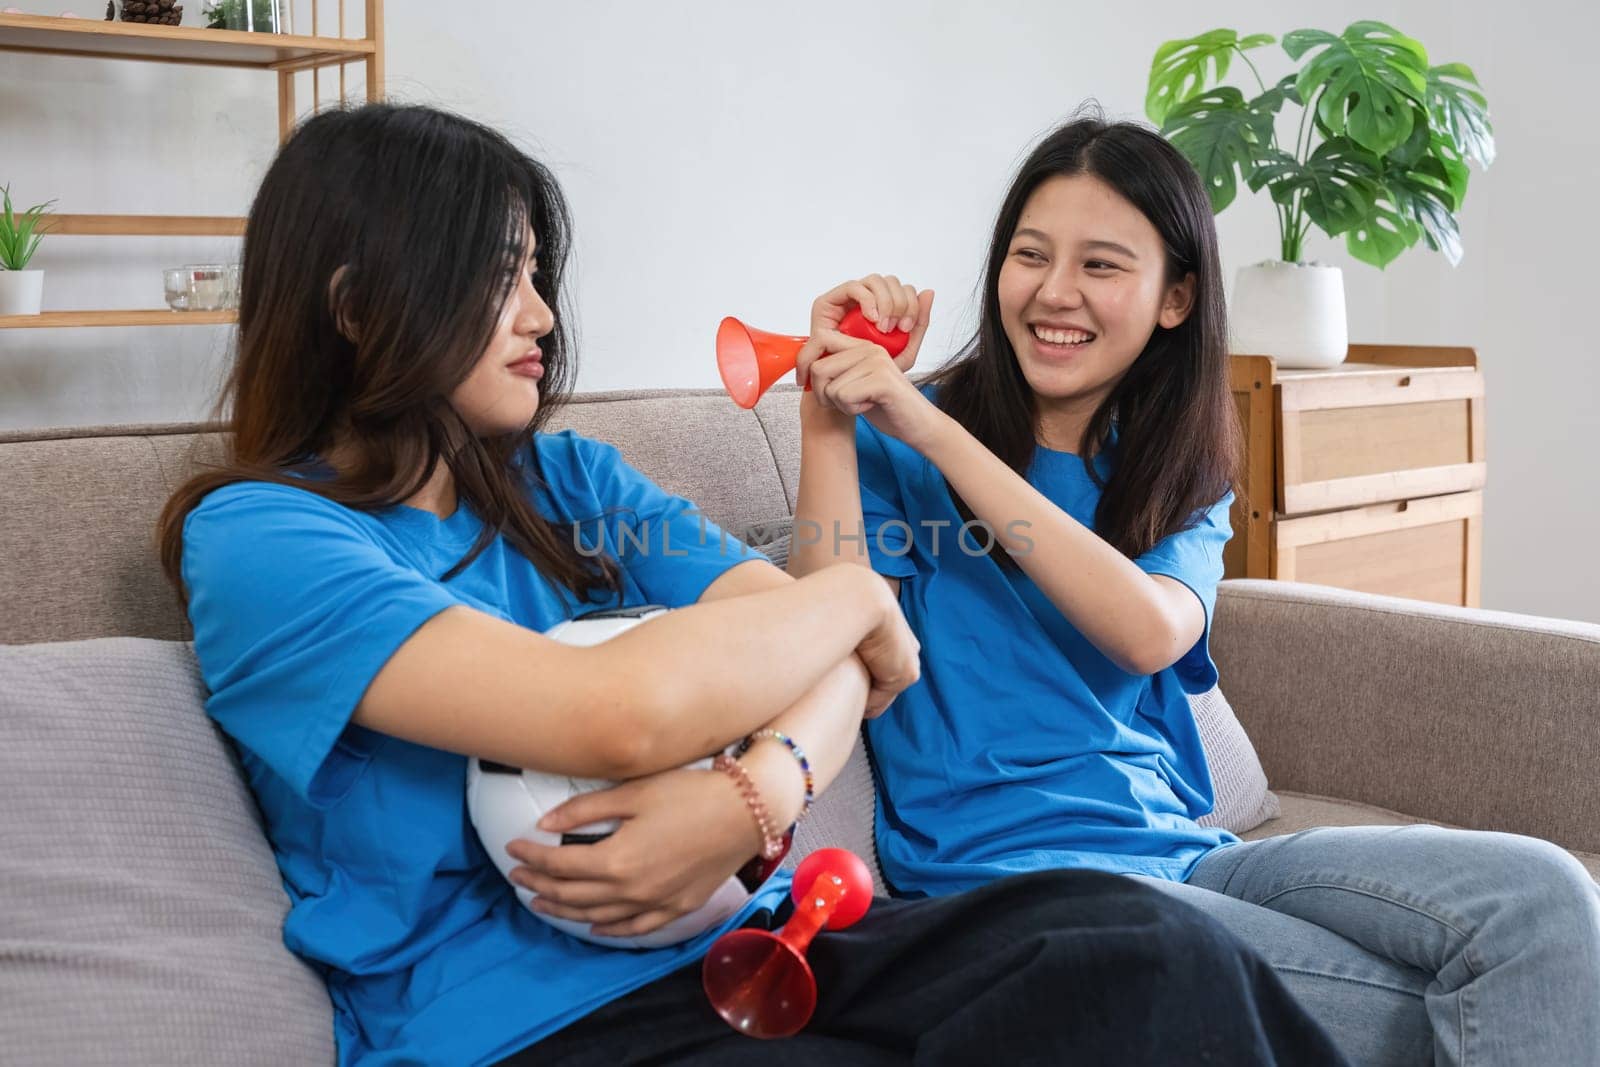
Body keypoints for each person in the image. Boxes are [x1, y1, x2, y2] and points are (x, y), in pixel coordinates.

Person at [155, 102, 1349, 1067]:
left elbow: (832, 659)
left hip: (766, 942)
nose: (542, 315)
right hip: (518, 1023)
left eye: (536, 273)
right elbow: (617, 711)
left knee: (1146, 946)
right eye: (497, 277)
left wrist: (756, 794)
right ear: (360, 307)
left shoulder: (567, 478)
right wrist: (857, 606)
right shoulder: (262, 539)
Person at [786, 113, 1600, 1066]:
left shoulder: (1174, 471)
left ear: (1176, 297)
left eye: (1102, 265)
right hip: (1022, 890)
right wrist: (829, 407)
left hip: (1191, 851)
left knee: (1545, 901)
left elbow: (1145, 631)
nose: (1054, 292)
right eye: (1030, 254)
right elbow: (825, 616)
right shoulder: (889, 447)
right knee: (1429, 1011)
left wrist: (927, 425)